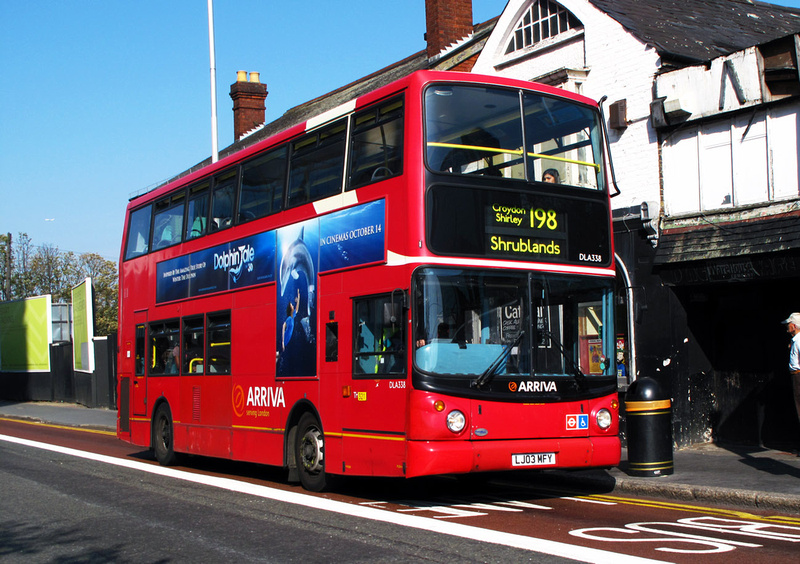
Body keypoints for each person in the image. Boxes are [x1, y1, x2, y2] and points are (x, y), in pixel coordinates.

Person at [782, 312, 800, 451]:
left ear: (793, 326)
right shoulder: (795, 341)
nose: (787, 327)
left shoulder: (799, 341)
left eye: (789, 325)